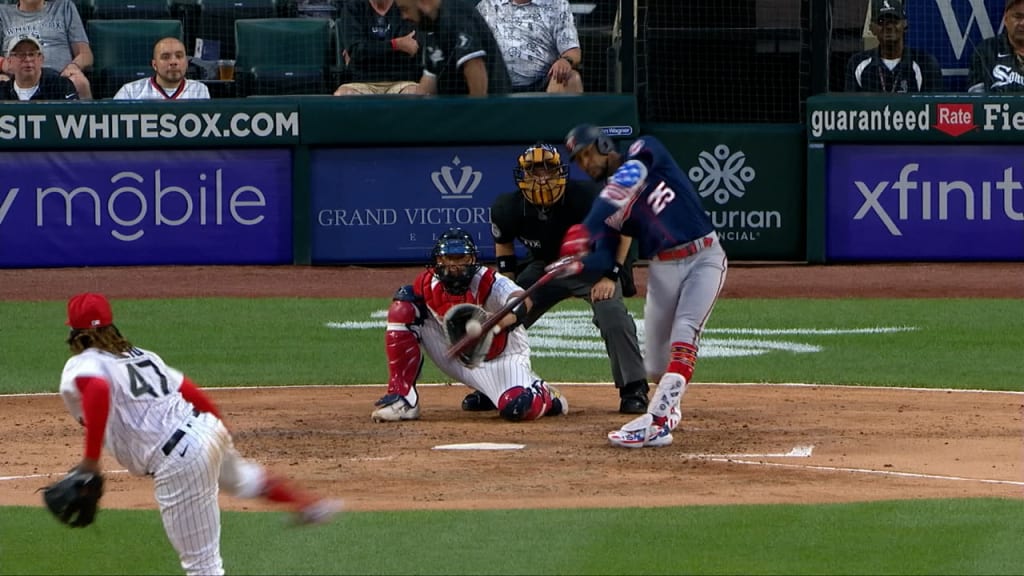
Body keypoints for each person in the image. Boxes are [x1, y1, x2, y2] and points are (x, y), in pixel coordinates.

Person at [58, 292, 341, 576]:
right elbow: (188, 388)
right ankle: (308, 505)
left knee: (203, 567)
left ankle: (305, 505)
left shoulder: (84, 363)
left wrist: (91, 460)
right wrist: (219, 433)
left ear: (73, 332)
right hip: (205, 428)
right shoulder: (143, 356)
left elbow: (97, 389)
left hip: (179, 457)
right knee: (243, 478)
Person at [559, 124, 728, 449]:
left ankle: (658, 421)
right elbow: (606, 258)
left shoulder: (645, 150)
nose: (585, 164)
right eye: (578, 161)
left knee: (685, 332)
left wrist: (586, 228)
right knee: (656, 367)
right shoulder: (610, 211)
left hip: (703, 256)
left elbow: (622, 185)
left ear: (605, 144)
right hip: (664, 266)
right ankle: (668, 410)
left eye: (587, 154)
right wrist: (581, 263)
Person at [462, 143, 648, 415]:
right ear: (522, 176)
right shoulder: (507, 207)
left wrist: (611, 275)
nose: (541, 179)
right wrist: (505, 294)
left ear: (561, 172)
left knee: (613, 315)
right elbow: (505, 251)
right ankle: (495, 386)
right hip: (544, 267)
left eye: (548, 171)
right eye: (534, 172)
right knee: (502, 317)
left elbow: (624, 231)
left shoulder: (589, 196)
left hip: (593, 265)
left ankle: (634, 388)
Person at [371, 227, 567, 423]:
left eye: (461, 258)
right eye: (449, 258)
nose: (455, 266)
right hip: (456, 350)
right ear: (439, 261)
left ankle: (545, 393)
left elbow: (522, 301)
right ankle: (403, 399)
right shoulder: (427, 284)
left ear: (472, 260)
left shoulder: (487, 280)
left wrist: (498, 323)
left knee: (517, 408)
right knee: (403, 307)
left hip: (502, 355)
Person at [393, 0, 511, 96]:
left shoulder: (455, 14)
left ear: (423, 2)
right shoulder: (430, 24)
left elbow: (475, 67)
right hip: (455, 109)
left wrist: (476, 114)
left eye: (405, 9)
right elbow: (430, 77)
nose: (404, 16)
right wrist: (412, 112)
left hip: (492, 109)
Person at [476, 0, 583, 94]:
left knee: (571, 78)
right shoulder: (488, 4)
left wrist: (566, 60)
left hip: (542, 82)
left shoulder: (557, 4)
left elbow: (573, 51)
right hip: (497, 84)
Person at [0, 0, 92, 99]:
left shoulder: (64, 7)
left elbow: (85, 54)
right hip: (16, 78)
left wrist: (73, 66)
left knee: (79, 81)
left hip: (60, 77)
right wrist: (3, 63)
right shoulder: (2, 12)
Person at [844, 0, 942, 93]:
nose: (889, 27)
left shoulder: (925, 64)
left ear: (905, 24)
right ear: (872, 28)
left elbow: (933, 107)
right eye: (881, 21)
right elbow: (851, 107)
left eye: (894, 21)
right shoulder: (857, 63)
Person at [334, 0, 423, 96]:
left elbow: (412, 50)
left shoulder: (406, 6)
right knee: (344, 94)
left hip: (402, 81)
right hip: (360, 82)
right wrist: (396, 44)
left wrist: (365, 51)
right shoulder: (353, 8)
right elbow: (357, 52)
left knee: (416, 92)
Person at [113, 37, 210, 100]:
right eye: (166, 57)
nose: (173, 62)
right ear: (154, 65)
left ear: (186, 63)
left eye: (179, 56)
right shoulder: (130, 92)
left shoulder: (199, 90)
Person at [967, 0, 1024, 93]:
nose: (1022, 23)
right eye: (1017, 17)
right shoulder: (986, 50)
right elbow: (976, 100)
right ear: (1006, 19)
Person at [0, 35, 77, 100]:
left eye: (32, 54)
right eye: (21, 54)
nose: (28, 59)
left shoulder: (60, 85)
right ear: (9, 61)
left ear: (41, 59)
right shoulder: (2, 91)